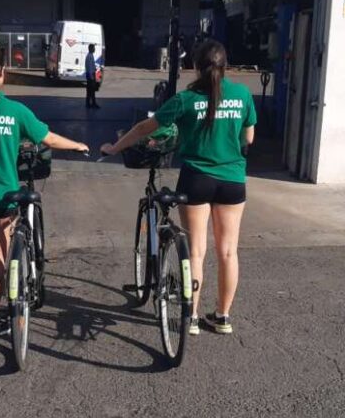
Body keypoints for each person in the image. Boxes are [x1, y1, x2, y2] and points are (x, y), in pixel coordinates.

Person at [101, 40, 255, 336]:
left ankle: (191, 318)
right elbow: (248, 138)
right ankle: (222, 317)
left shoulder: (186, 99)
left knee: (195, 251)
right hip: (233, 180)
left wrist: (115, 147)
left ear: (195, 67)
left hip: (197, 179)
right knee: (228, 252)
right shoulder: (243, 94)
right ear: (226, 66)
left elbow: (145, 128)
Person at [0, 46, 89, 340]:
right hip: (3, 196)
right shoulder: (16, 111)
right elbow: (48, 138)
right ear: (3, 72)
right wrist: (77, 145)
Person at [85, 44, 100, 109]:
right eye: (93, 48)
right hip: (90, 75)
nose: (94, 49)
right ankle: (92, 104)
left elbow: (91, 66)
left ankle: (89, 103)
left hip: (90, 74)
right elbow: (89, 67)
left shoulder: (90, 55)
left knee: (90, 91)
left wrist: (95, 68)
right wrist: (92, 77)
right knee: (91, 90)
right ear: (91, 49)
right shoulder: (90, 56)